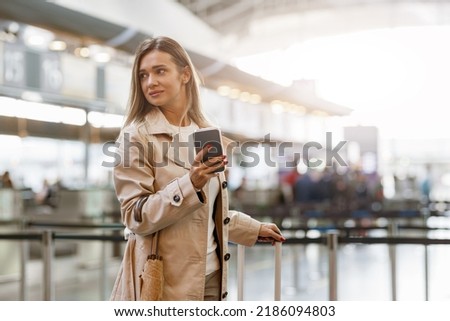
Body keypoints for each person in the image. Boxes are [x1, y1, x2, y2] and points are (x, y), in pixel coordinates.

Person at [110, 36, 285, 301]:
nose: (150, 82)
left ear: (185, 75)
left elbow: (203, 215)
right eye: (143, 75)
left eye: (160, 71)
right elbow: (135, 216)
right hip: (165, 283)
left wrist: (252, 228)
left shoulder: (205, 134)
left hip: (212, 277)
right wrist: (189, 184)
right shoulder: (136, 137)